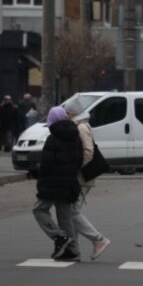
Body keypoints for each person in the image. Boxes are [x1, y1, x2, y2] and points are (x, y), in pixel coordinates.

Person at [54, 100, 111, 262]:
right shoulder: (81, 125)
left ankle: (98, 239)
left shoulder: (81, 127)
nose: (65, 115)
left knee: (72, 212)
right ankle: (74, 250)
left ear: (72, 113)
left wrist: (76, 168)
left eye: (67, 112)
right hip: (81, 175)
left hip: (82, 176)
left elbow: (88, 151)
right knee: (73, 212)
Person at [31, 106, 79, 260]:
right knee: (65, 216)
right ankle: (72, 251)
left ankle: (59, 236)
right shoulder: (75, 135)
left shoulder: (53, 139)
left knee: (39, 209)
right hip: (70, 181)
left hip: (52, 183)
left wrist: (41, 180)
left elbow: (47, 163)